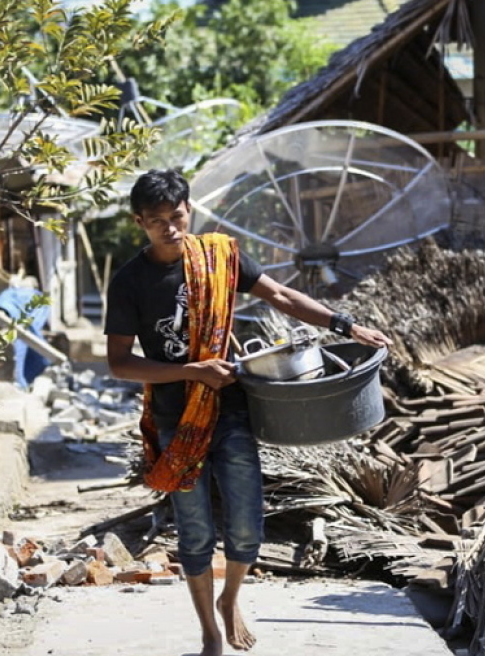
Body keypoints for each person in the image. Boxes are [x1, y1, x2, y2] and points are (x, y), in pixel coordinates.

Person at [104, 169, 390, 656]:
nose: (170, 228)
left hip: (231, 411)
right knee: (194, 530)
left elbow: (281, 295)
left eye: (177, 217)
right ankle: (209, 632)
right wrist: (192, 370)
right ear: (139, 222)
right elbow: (119, 362)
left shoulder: (220, 256)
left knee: (246, 524)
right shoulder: (130, 281)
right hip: (176, 420)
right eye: (157, 221)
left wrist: (346, 325)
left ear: (189, 210)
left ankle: (230, 599)